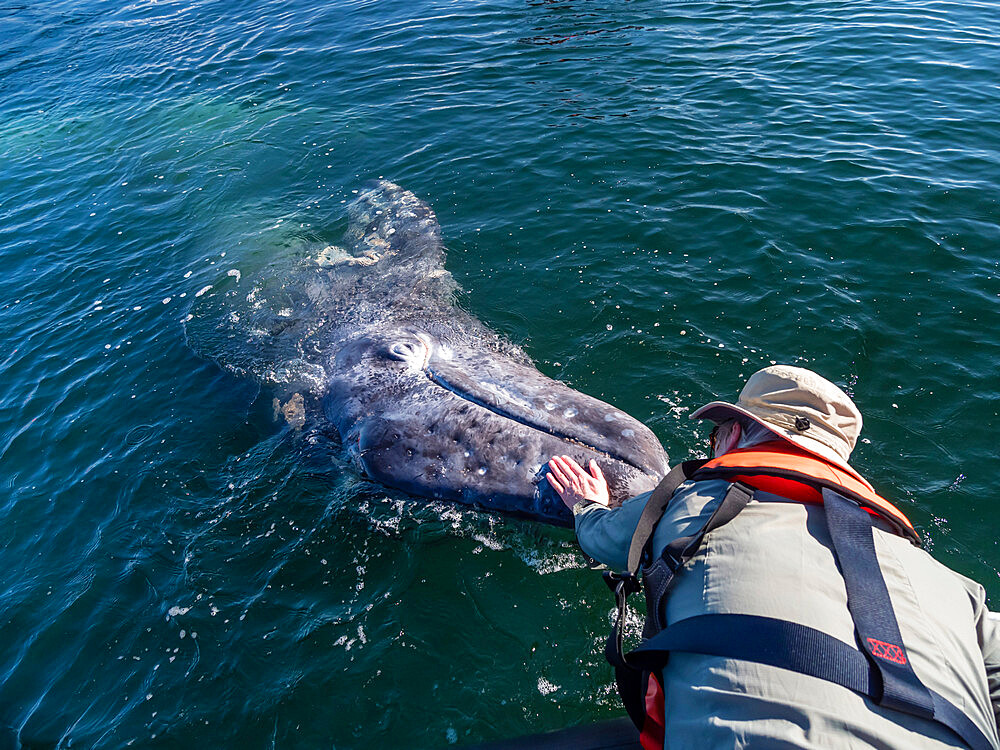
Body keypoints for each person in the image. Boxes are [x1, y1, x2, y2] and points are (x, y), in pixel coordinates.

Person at [546, 365, 1000, 750]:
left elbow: (601, 539)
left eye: (715, 437)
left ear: (735, 435)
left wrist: (588, 506)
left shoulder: (686, 503)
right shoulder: (953, 586)